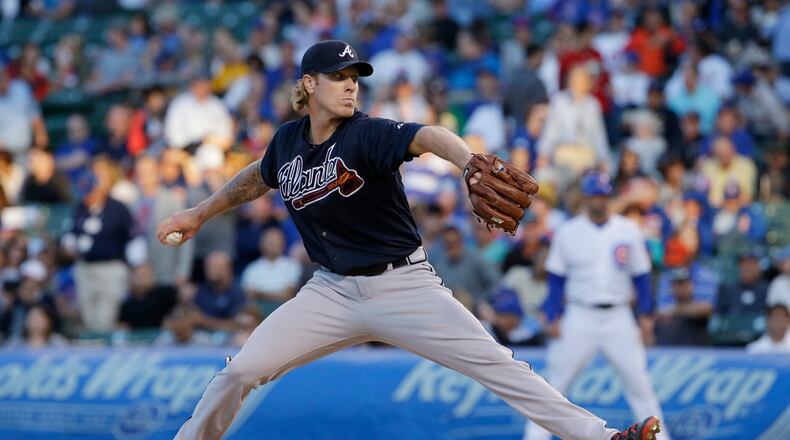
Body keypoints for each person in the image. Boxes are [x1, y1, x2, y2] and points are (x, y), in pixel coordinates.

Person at [158, 40, 661, 440]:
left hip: (404, 286)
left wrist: (467, 163)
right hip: (329, 292)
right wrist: (200, 212)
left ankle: (602, 437)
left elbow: (429, 135)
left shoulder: (368, 133)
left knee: (499, 365)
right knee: (240, 372)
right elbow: (258, 176)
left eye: (355, 79)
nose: (350, 87)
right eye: (338, 78)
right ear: (308, 84)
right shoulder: (287, 141)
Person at [525, 172, 667, 440]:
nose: (598, 201)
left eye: (602, 196)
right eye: (593, 196)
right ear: (585, 198)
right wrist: (553, 314)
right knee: (555, 385)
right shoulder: (568, 231)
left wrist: (646, 315)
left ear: (609, 197)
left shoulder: (628, 230)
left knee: (639, 383)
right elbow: (556, 278)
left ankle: (659, 438)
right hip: (580, 314)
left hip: (619, 315)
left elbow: (642, 276)